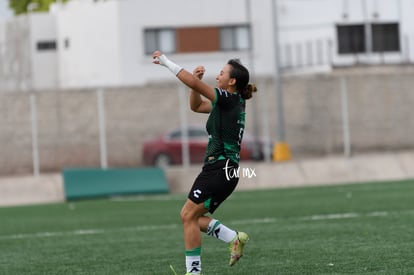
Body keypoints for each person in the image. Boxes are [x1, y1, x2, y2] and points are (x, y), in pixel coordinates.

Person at [152, 50, 257, 275]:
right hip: (220, 170)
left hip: (220, 169)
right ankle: (233, 237)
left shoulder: (229, 99)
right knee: (189, 216)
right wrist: (196, 83)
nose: (217, 76)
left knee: (188, 216)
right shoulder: (230, 102)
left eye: (222, 73)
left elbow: (193, 83)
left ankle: (194, 273)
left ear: (232, 81)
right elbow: (196, 106)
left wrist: (166, 62)